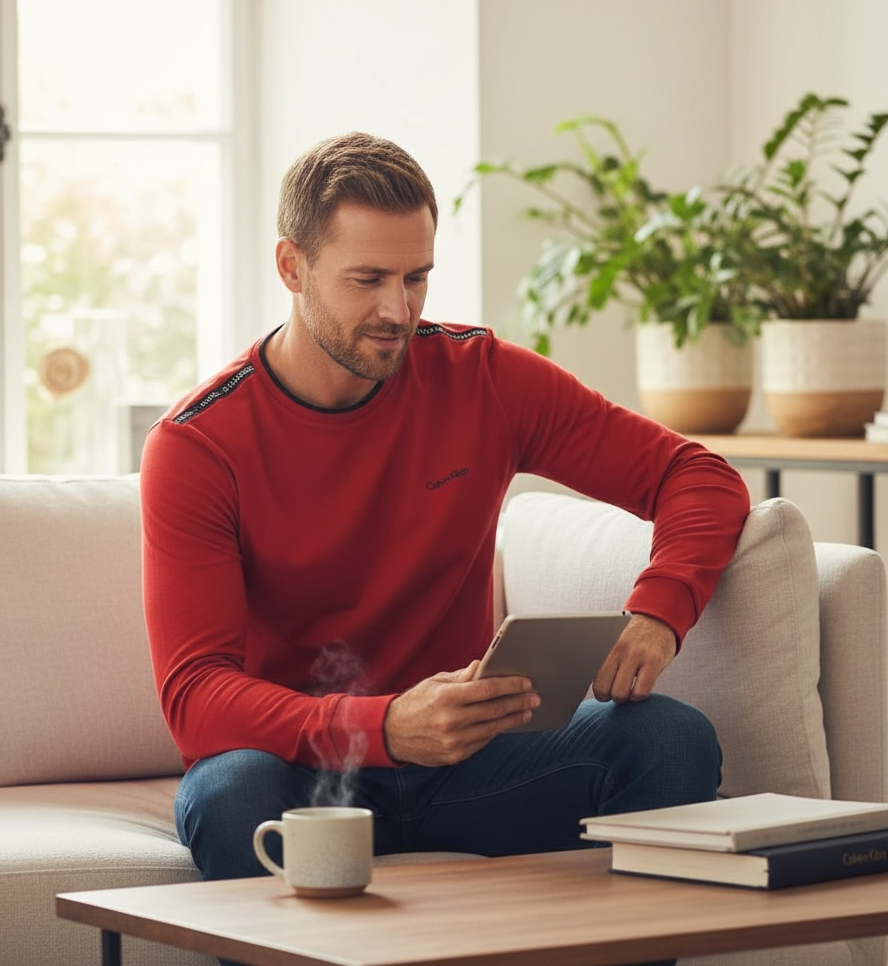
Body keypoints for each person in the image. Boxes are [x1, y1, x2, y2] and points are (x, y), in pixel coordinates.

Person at [140, 132, 751, 896]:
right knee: (228, 795)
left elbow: (697, 476)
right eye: (367, 279)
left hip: (474, 761)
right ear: (292, 266)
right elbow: (196, 696)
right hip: (308, 773)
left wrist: (659, 612)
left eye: (416, 278)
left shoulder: (482, 378)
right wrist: (384, 726)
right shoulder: (197, 443)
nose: (398, 310)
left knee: (668, 737)